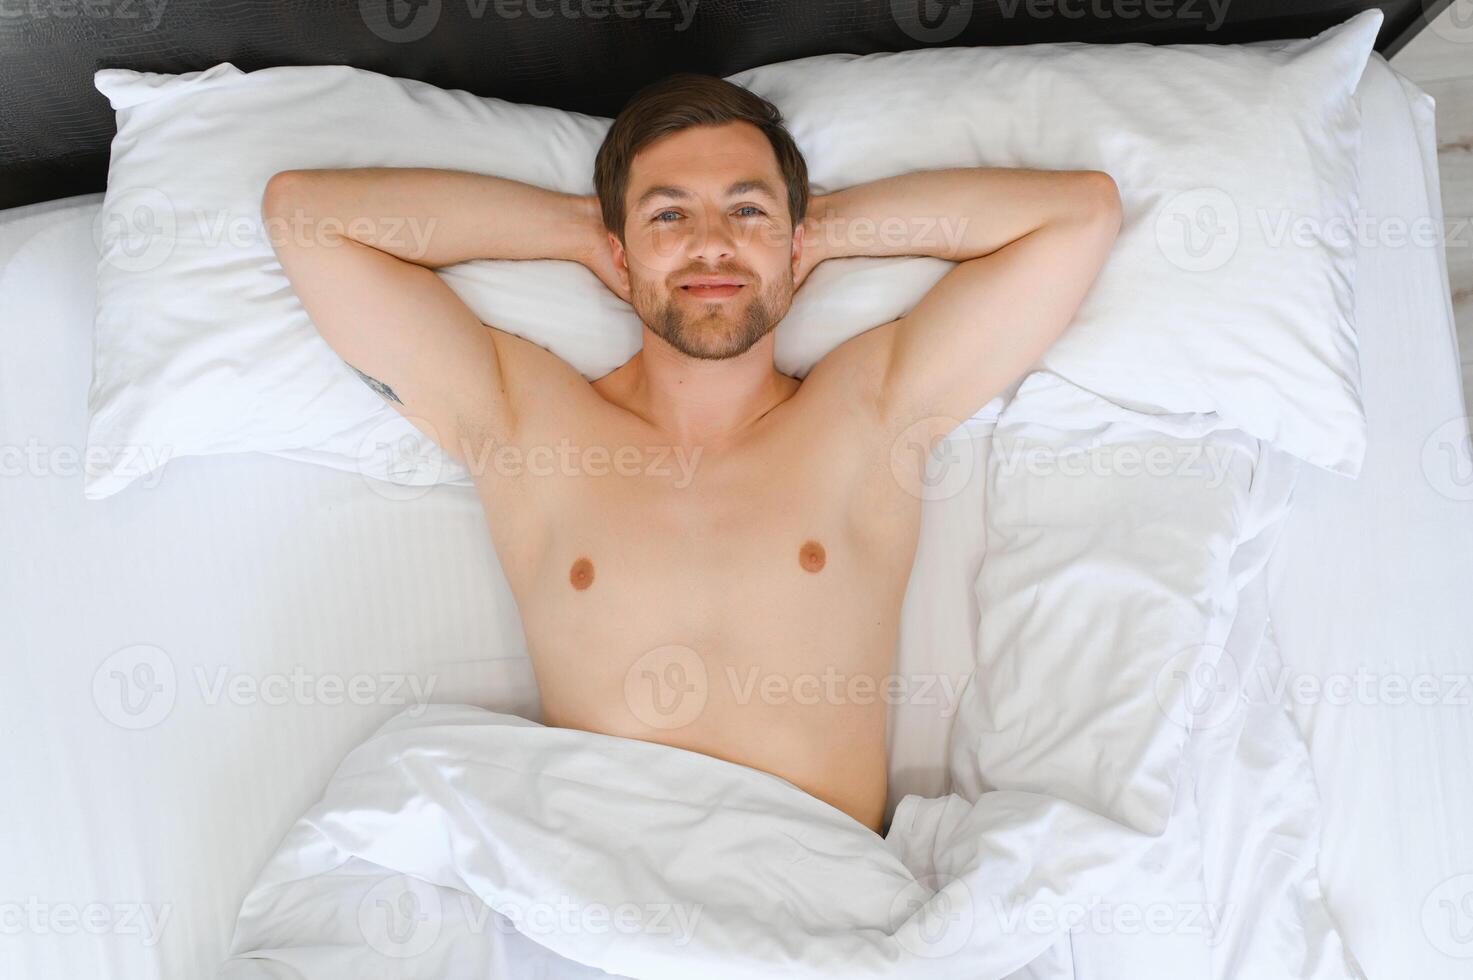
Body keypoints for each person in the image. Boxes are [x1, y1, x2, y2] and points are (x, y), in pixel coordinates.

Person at [260, 72, 1120, 834]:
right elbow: (307, 217)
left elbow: (1077, 215)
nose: (711, 243)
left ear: (793, 238)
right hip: (600, 901)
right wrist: (581, 232)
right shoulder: (529, 425)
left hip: (813, 903)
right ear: (619, 247)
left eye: (745, 209)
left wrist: (817, 232)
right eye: (669, 214)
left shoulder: (870, 413)